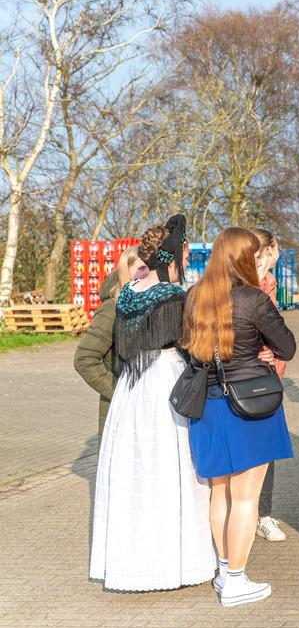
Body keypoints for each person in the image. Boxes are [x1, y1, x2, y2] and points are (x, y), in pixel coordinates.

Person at [90, 218, 216, 592]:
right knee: (171, 468)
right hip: (165, 382)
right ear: (169, 259)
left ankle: (134, 562)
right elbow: (192, 345)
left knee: (135, 468)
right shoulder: (176, 297)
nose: (187, 264)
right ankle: (173, 563)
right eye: (184, 257)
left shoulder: (127, 294)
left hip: (132, 387)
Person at [182, 227, 296, 607]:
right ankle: (235, 580)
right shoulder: (254, 299)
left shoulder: (195, 296)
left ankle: (223, 570)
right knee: (246, 498)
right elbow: (288, 346)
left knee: (220, 492)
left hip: (210, 404)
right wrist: (260, 348)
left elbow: (188, 350)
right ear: (245, 257)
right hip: (250, 405)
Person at [74, 246, 148, 445]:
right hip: (120, 410)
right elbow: (84, 359)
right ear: (125, 270)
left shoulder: (147, 305)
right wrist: (118, 391)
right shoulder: (112, 309)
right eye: (140, 267)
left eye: (149, 268)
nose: (146, 273)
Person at [248, 228, 288, 543]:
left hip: (270, 371)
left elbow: (275, 329)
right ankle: (254, 515)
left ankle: (263, 514)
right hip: (249, 373)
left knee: (266, 448)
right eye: (266, 253)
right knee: (252, 448)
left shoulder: (269, 281)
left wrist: (274, 349)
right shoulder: (249, 282)